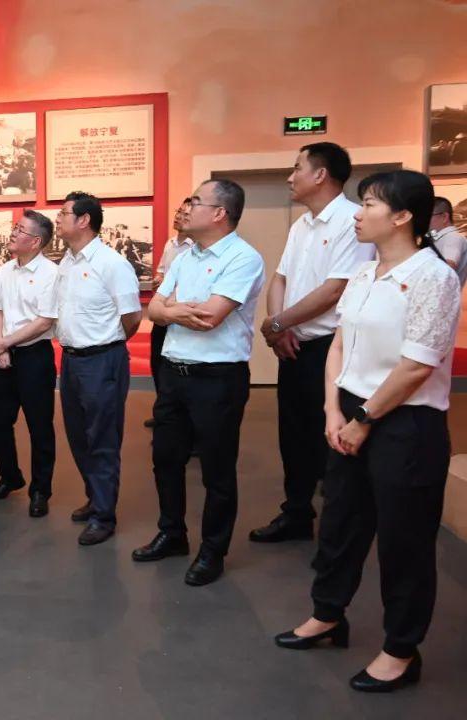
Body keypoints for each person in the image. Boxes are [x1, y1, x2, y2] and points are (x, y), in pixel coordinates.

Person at [275, 170, 460, 693]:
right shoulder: (363, 273)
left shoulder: (434, 277)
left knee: (404, 542)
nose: (358, 214)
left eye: (370, 204)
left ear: (402, 217)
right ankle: (328, 614)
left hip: (405, 423)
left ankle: (401, 650)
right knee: (340, 524)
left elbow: (416, 366)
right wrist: (333, 411)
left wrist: (364, 421)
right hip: (351, 411)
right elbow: (339, 345)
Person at [132, 179, 265, 586]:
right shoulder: (186, 255)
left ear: (220, 213)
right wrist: (173, 310)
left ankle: (212, 551)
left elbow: (209, 317)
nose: (187, 208)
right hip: (174, 373)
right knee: (166, 459)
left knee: (217, 470)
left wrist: (171, 310)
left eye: (195, 201)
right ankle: (172, 533)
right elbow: (154, 310)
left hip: (218, 379)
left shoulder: (243, 258)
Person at [251, 143, 375, 543]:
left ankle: (338, 527)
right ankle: (296, 513)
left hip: (330, 348)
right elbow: (280, 279)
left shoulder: (351, 222)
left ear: (320, 174)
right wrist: (278, 327)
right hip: (294, 346)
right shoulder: (301, 226)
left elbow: (335, 290)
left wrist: (278, 323)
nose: (290, 177)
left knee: (331, 434)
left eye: (297, 168)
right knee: (293, 435)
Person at [55, 192, 142, 544]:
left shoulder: (112, 264)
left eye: (64, 213)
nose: (57, 218)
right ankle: (95, 498)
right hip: (71, 360)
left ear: (84, 220)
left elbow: (132, 318)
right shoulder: (67, 261)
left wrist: (107, 345)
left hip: (103, 360)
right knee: (78, 436)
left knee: (102, 438)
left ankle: (104, 516)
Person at [0, 210, 59, 516]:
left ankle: (40, 490)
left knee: (39, 426)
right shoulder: (5, 270)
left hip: (34, 357)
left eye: (20, 230)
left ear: (36, 241)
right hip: (4, 353)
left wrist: (6, 342)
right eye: (15, 228)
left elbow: (44, 322)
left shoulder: (50, 274)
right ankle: (10, 476)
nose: (13, 233)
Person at [146, 200, 194, 427]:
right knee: (158, 363)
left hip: (180, 315)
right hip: (162, 312)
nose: (179, 217)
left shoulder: (195, 247)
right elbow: (162, 271)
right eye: (178, 212)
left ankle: (181, 421)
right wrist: (158, 279)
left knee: (178, 369)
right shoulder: (171, 243)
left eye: (185, 214)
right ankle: (163, 413)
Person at [429, 196, 467, 287]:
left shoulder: (452, 238)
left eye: (428, 216)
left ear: (444, 217)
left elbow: (448, 268)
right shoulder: (442, 238)